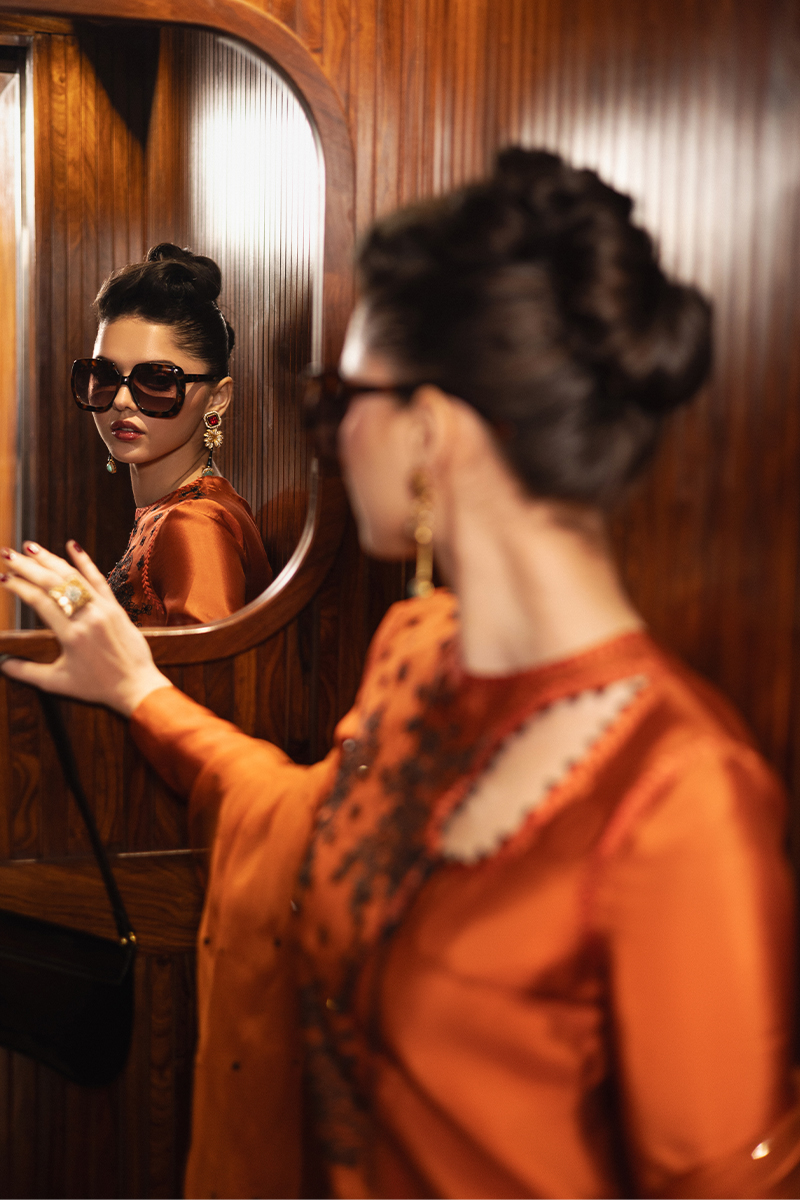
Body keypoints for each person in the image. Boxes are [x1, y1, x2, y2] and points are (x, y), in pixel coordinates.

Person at [2, 148, 799, 1199]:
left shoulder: (679, 796)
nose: (332, 434)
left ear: (427, 432)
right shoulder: (418, 660)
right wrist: (137, 689)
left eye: (342, 397)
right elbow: (297, 820)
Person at [71, 244, 272, 626]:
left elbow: (206, 666)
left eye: (158, 380)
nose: (122, 401)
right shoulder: (176, 509)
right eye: (105, 375)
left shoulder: (195, 524)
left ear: (216, 398)